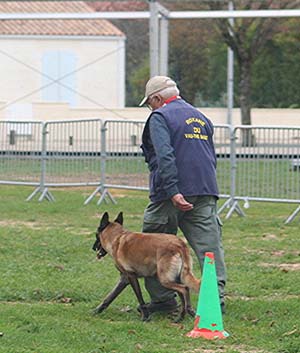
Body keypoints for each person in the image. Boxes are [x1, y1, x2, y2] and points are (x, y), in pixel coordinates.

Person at [139, 75, 226, 315]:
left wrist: (173, 190)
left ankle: (164, 301)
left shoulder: (160, 117)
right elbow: (209, 155)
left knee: (154, 246)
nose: (150, 107)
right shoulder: (200, 117)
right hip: (205, 189)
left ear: (157, 98)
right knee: (209, 249)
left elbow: (165, 155)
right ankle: (214, 301)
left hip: (171, 195)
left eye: (149, 102)